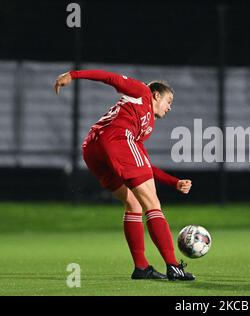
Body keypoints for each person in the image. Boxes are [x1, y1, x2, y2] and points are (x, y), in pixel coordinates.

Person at [54, 69, 195, 281]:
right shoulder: (142, 93)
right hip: (115, 140)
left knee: (134, 204)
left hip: (93, 148)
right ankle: (173, 266)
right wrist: (73, 75)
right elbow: (111, 78)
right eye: (169, 101)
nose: (170, 107)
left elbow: (143, 165)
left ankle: (141, 267)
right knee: (152, 204)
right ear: (156, 95)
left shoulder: (145, 126)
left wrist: (173, 182)